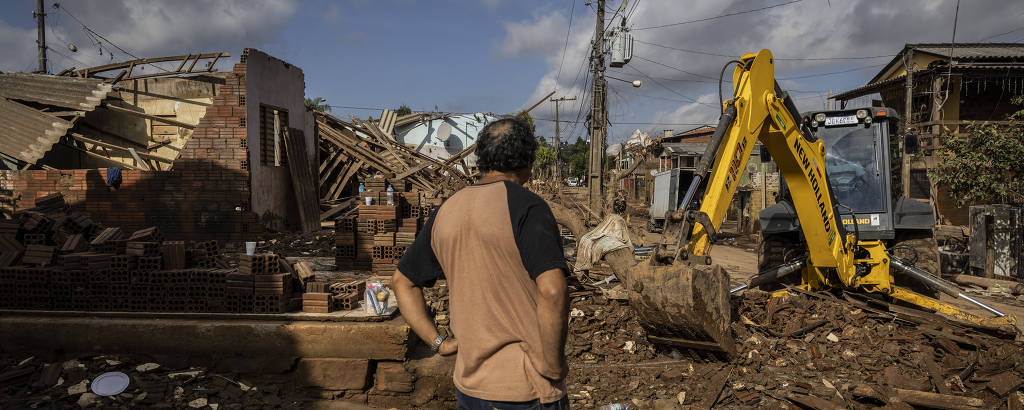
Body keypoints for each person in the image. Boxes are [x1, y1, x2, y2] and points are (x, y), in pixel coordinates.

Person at [393, 118, 570, 409]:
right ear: (528, 159)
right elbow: (553, 291)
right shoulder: (528, 207)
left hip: (470, 388)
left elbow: (403, 282)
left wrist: (439, 343)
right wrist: (553, 366)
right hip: (526, 390)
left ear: (483, 159)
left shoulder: (448, 210)